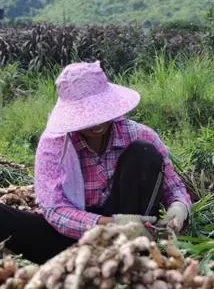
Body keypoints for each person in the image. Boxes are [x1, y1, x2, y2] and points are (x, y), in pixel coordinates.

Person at [0, 61, 193, 264]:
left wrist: (179, 208)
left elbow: (173, 186)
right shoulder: (55, 145)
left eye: (100, 111)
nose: (97, 123)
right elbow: (55, 209)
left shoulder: (138, 134)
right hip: (75, 235)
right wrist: (110, 225)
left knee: (143, 152)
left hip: (133, 229)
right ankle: (93, 258)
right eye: (86, 115)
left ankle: (131, 253)